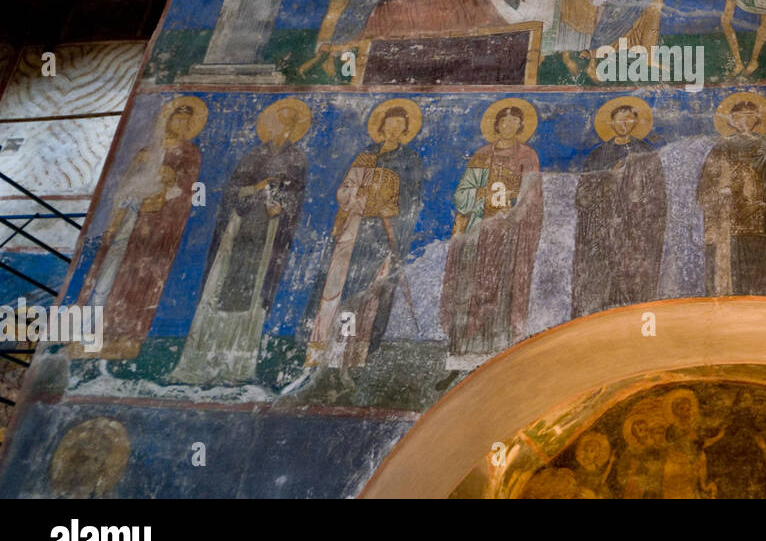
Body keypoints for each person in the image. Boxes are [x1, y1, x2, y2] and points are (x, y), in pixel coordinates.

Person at [170, 99, 309, 384]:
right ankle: (201, 363)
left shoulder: (297, 158)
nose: (284, 126)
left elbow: (296, 194)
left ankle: (237, 367)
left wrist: (280, 206)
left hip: (268, 232)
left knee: (254, 292)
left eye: (290, 122)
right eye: (280, 120)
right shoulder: (254, 153)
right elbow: (231, 189)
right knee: (221, 288)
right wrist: (256, 188)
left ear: (295, 128)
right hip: (240, 227)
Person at [76, 97, 206, 360]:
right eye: (176, 118)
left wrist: (168, 190)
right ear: (167, 120)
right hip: (129, 219)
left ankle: (125, 338)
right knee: (107, 274)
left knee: (140, 281)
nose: (180, 124)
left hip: (156, 227)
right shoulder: (146, 152)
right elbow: (122, 187)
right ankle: (87, 332)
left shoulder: (190, 154)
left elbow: (187, 191)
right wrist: (121, 210)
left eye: (186, 121)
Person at [307, 100, 423, 374]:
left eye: (400, 126)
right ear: (381, 127)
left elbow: (410, 201)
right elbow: (345, 191)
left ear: (406, 130)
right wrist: (361, 199)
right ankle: (327, 351)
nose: (394, 129)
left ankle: (353, 355)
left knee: (367, 293)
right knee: (339, 287)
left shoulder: (409, 161)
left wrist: (389, 208)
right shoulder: (364, 156)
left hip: (381, 236)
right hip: (353, 230)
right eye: (390, 124)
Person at [441, 99, 543, 360]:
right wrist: (480, 193)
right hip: (477, 231)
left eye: (514, 122)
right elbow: (461, 195)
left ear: (521, 126)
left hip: (506, 235)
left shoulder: (527, 156)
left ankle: (497, 351)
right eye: (504, 121)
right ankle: (462, 352)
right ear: (496, 125)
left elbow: (531, 197)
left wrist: (513, 215)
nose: (509, 126)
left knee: (500, 289)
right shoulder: (481, 155)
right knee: (469, 287)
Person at [572, 98, 666, 317]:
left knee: (633, 280)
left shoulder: (646, 152)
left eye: (629, 120)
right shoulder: (598, 156)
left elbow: (657, 194)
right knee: (603, 279)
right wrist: (610, 178)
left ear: (635, 123)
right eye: (620, 120)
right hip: (602, 229)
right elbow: (583, 198)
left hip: (635, 231)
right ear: (611, 124)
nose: (625, 125)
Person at [697, 92, 766, 297]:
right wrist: (724, 197)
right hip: (729, 226)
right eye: (739, 116)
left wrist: (763, 206)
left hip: (765, 226)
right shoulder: (720, 151)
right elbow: (705, 191)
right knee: (733, 280)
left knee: (761, 280)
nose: (745, 120)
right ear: (731, 121)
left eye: (750, 115)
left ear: (758, 119)